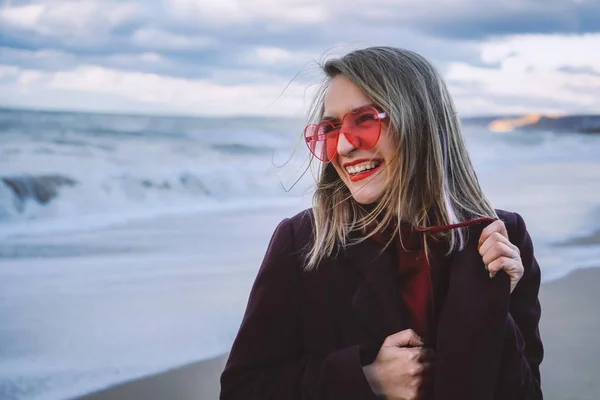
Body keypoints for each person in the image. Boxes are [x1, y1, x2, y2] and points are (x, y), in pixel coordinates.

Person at [220, 47, 543, 400]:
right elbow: (242, 390)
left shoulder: (501, 239)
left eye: (365, 120)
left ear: (419, 122)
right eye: (330, 129)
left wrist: (495, 304)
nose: (343, 146)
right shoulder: (303, 242)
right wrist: (366, 379)